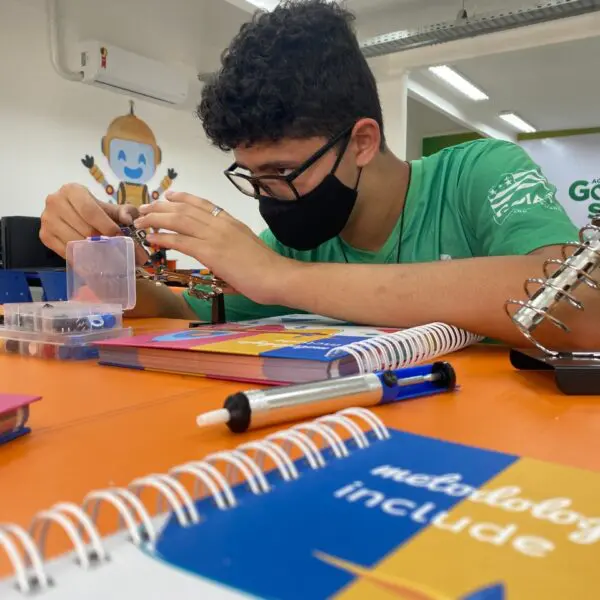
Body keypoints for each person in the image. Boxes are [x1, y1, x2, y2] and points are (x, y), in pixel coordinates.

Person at [40, 0, 600, 350]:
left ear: (362, 141)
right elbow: (174, 309)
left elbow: (578, 307)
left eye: (283, 170)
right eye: (254, 174)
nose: (269, 196)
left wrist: (277, 277)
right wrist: (100, 260)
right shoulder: (297, 245)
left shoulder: (479, 171)